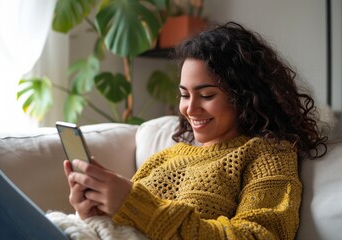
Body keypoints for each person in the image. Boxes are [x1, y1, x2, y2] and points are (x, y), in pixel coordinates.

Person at [63, 22, 328, 239]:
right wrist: (94, 210)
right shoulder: (165, 158)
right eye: (184, 95)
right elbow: (129, 225)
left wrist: (132, 204)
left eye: (206, 95)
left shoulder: (267, 154)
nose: (190, 108)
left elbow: (258, 235)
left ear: (245, 96)